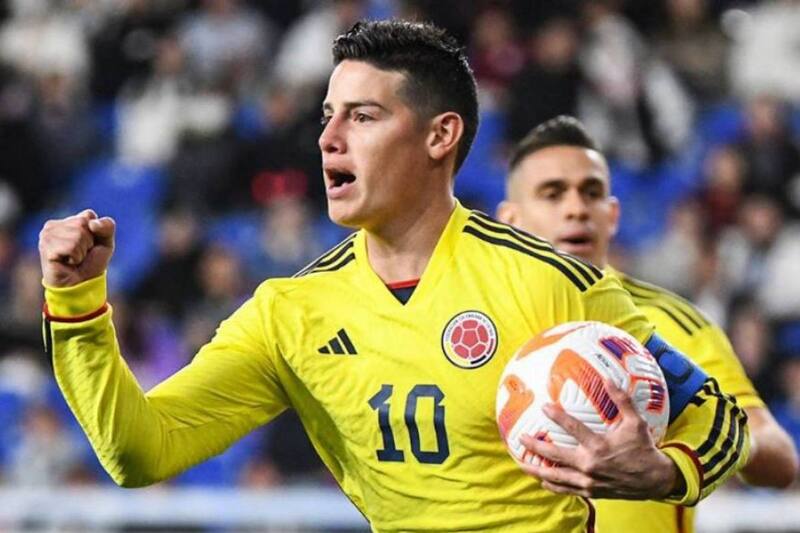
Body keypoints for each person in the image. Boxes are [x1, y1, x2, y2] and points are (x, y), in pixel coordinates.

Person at [39, 21, 747, 532]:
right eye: (326, 117)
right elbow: (140, 450)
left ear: (440, 136)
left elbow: (718, 419)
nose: (327, 138)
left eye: (363, 116)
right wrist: (76, 305)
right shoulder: (290, 312)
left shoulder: (552, 282)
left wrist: (668, 473)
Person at [497, 115, 798, 533]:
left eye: (592, 193)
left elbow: (780, 461)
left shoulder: (673, 324)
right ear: (510, 219)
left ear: (613, 214)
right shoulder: (477, 326)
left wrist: (676, 458)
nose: (576, 208)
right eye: (552, 194)